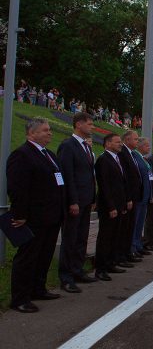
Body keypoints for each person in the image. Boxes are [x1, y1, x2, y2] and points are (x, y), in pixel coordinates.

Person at [6, 118, 65, 313]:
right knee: (28, 257)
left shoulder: (49, 154)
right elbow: (17, 188)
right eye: (45, 130)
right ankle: (20, 298)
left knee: (44, 255)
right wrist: (20, 214)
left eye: (50, 130)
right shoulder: (22, 155)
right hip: (33, 217)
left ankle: (38, 288)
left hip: (51, 215)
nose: (50, 133)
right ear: (31, 133)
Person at [57, 112, 97, 294]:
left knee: (82, 237)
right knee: (70, 238)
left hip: (86, 199)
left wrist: (93, 198)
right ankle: (66, 277)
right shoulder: (68, 146)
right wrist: (72, 201)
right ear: (78, 124)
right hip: (75, 201)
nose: (92, 127)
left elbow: (89, 175)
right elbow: (68, 176)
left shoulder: (86, 147)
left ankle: (77, 269)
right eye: (89, 124)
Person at [94, 134, 132, 282]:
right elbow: (104, 186)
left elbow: (121, 184)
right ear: (108, 143)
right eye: (117, 142)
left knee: (115, 236)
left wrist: (123, 202)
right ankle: (100, 268)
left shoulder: (116, 159)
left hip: (118, 205)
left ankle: (110, 263)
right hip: (108, 206)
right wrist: (111, 206)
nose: (120, 144)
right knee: (105, 237)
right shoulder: (103, 160)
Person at [117, 130, 144, 265]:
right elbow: (125, 178)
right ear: (127, 140)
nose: (137, 141)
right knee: (125, 229)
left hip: (134, 197)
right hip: (128, 198)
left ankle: (127, 253)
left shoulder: (132, 154)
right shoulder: (123, 154)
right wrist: (128, 198)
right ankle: (122, 255)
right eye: (135, 139)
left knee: (130, 227)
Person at [131, 137, 152, 256]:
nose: (149, 147)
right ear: (140, 146)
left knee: (140, 222)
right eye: (147, 145)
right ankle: (133, 246)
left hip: (145, 195)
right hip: (139, 195)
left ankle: (138, 244)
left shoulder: (143, 159)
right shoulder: (135, 156)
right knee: (135, 222)